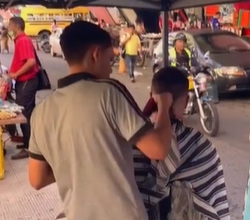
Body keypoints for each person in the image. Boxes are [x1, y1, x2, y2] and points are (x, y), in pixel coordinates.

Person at [27, 21, 174, 220]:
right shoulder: (108, 91)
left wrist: (75, 162)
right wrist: (164, 105)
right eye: (110, 59)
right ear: (95, 54)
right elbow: (158, 149)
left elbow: (36, 179)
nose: (111, 69)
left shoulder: (41, 111)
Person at [138, 67, 230, 220]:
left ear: (151, 97)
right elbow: (217, 203)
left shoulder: (134, 140)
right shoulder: (201, 146)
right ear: (186, 101)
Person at [8, 17, 39, 160]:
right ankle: (29, 142)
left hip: (27, 81)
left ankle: (28, 148)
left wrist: (16, 74)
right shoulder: (19, 40)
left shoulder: (23, 40)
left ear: (17, 26)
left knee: (23, 113)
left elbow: (31, 62)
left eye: (10, 24)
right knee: (26, 113)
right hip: (23, 81)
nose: (8, 26)